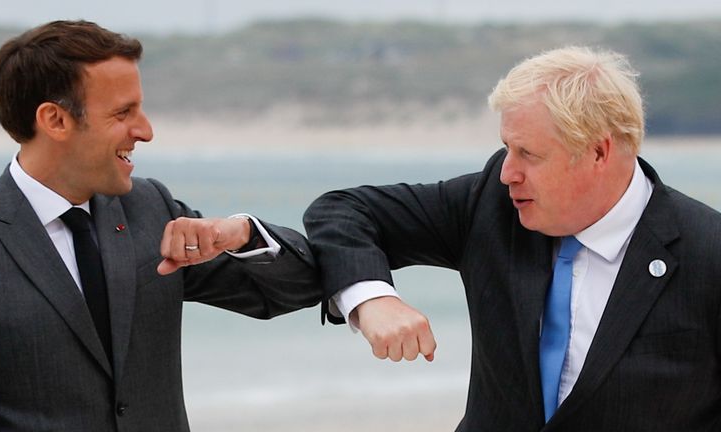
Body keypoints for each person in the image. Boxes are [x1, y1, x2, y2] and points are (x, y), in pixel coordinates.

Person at [304, 46, 721, 431]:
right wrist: (372, 299)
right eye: (507, 148)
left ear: (599, 152)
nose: (508, 172)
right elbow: (342, 210)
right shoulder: (493, 203)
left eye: (529, 155)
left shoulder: (709, 252)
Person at [0, 20, 321, 431]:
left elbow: (299, 286)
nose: (145, 131)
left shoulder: (151, 208)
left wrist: (242, 234)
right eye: (123, 112)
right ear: (55, 120)